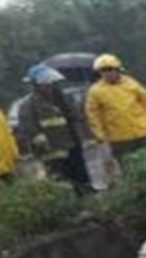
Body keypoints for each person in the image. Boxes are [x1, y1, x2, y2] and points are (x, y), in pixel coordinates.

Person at [17, 64, 93, 195]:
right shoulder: (28, 105)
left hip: (71, 144)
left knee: (80, 173)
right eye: (45, 83)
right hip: (51, 150)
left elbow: (74, 116)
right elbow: (29, 129)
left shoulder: (60, 99)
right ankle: (68, 202)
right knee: (60, 179)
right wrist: (39, 140)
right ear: (35, 85)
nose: (49, 86)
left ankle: (86, 193)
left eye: (51, 83)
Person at [84, 53, 146, 162]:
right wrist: (101, 137)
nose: (107, 73)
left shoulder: (131, 83)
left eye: (110, 69)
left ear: (117, 69)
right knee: (129, 167)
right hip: (119, 138)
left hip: (145, 131)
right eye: (103, 71)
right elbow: (94, 117)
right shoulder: (95, 91)